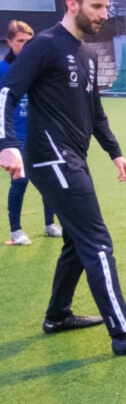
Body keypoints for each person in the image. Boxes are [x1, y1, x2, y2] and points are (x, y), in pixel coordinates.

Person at [0, 0, 126, 355]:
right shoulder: (43, 45)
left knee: (76, 240)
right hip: (50, 157)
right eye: (97, 7)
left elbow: (95, 112)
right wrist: (7, 144)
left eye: (106, 8)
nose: (103, 15)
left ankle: (58, 315)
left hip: (74, 156)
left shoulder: (90, 54)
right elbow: (5, 93)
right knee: (97, 241)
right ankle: (124, 332)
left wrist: (115, 151)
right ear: (72, 4)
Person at [1, 21, 62, 245]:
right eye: (20, 41)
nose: (26, 46)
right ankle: (16, 231)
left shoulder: (39, 66)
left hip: (41, 133)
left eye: (29, 41)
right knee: (20, 182)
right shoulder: (2, 69)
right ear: (9, 42)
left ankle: (49, 224)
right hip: (15, 137)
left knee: (49, 180)